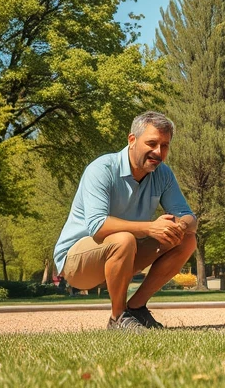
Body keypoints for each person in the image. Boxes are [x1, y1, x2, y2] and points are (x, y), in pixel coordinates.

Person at [53, 111, 197, 331]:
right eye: (152, 143)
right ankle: (117, 318)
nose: (158, 152)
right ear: (132, 140)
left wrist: (179, 226)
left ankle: (136, 308)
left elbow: (189, 217)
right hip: (77, 263)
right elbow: (98, 226)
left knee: (186, 240)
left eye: (165, 146)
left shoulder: (163, 175)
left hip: (123, 255)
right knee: (124, 239)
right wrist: (150, 227)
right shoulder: (102, 169)